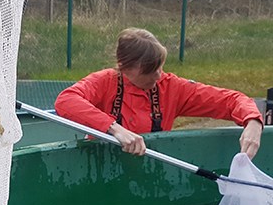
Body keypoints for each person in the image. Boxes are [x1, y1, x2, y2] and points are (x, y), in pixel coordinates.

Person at [54, 27, 264, 158]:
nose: (157, 76)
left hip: (151, 175)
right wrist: (114, 128)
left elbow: (232, 100)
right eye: (149, 70)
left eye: (160, 67)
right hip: (99, 170)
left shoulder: (171, 87)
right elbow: (66, 101)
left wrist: (253, 121)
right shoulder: (104, 81)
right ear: (123, 67)